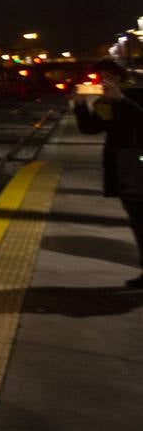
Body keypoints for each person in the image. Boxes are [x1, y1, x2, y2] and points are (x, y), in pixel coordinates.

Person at [72, 59, 143, 288]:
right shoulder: (106, 100)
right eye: (101, 77)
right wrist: (80, 104)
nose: (105, 81)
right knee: (137, 220)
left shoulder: (137, 92)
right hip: (124, 167)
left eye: (109, 76)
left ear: (120, 76)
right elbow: (90, 128)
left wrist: (121, 100)